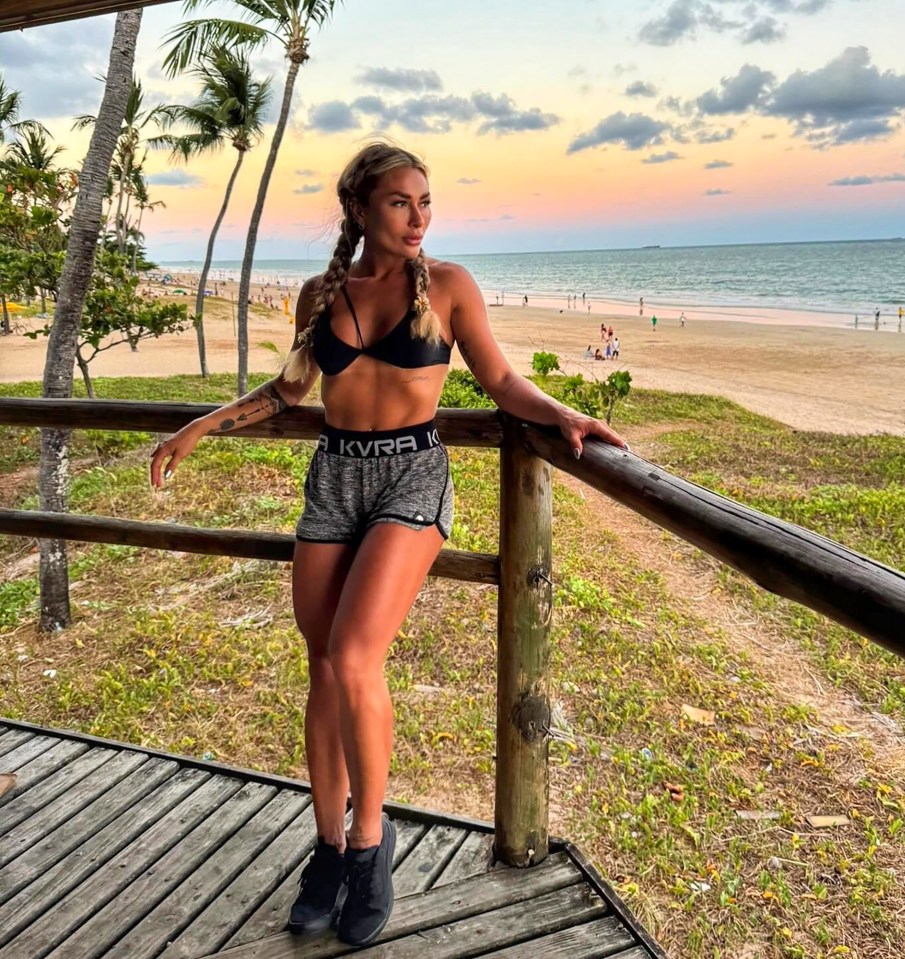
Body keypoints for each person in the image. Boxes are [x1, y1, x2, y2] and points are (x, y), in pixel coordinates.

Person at [148, 142, 626, 949]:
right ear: (361, 208)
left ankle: (370, 844)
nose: (419, 217)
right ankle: (328, 846)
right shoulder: (321, 291)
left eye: (426, 201)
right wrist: (202, 424)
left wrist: (561, 413)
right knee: (323, 666)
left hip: (411, 480)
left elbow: (502, 381)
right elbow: (289, 390)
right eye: (401, 202)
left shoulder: (447, 286)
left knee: (357, 655)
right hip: (335, 478)